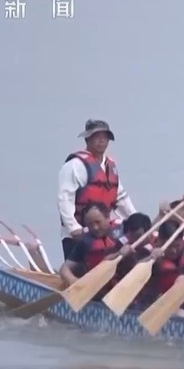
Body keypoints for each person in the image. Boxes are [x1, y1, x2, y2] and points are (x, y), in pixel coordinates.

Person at [57, 119, 137, 260]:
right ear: (87, 139)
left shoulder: (110, 166)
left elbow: (120, 197)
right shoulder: (74, 165)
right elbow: (65, 199)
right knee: (77, 267)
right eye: (97, 137)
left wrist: (135, 219)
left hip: (102, 231)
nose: (101, 141)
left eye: (105, 137)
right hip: (78, 233)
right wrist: (73, 228)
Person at [58, 203, 132, 288]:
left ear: (107, 217)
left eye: (98, 222)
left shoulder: (125, 229)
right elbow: (64, 269)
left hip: (125, 281)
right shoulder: (84, 242)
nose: (95, 227)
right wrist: (74, 281)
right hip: (100, 286)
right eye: (90, 224)